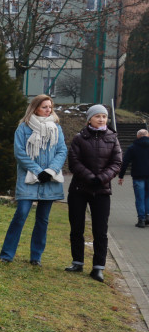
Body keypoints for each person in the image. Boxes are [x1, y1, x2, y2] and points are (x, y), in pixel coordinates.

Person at [0, 95, 67, 265]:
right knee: (21, 214)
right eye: (44, 107)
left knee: (43, 219)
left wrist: (50, 171)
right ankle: (7, 254)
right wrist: (38, 171)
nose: (48, 110)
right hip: (28, 178)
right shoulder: (23, 128)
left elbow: (61, 151)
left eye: (50, 107)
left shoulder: (56, 128)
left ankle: (36, 257)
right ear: (35, 108)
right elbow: (19, 153)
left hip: (49, 180)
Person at [65, 105, 121, 282]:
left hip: (102, 190)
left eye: (104, 117)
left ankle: (98, 268)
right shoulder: (79, 138)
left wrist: (101, 178)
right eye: (98, 116)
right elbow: (74, 162)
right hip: (79, 189)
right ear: (89, 119)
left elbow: (117, 163)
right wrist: (90, 177)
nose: (102, 120)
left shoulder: (113, 138)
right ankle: (77, 262)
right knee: (77, 228)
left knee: (100, 231)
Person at [118, 128, 149, 228]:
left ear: (137, 136)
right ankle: (148, 216)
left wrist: (121, 176)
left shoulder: (133, 147)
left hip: (138, 176)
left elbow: (125, 162)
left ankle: (141, 220)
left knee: (140, 198)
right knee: (148, 197)